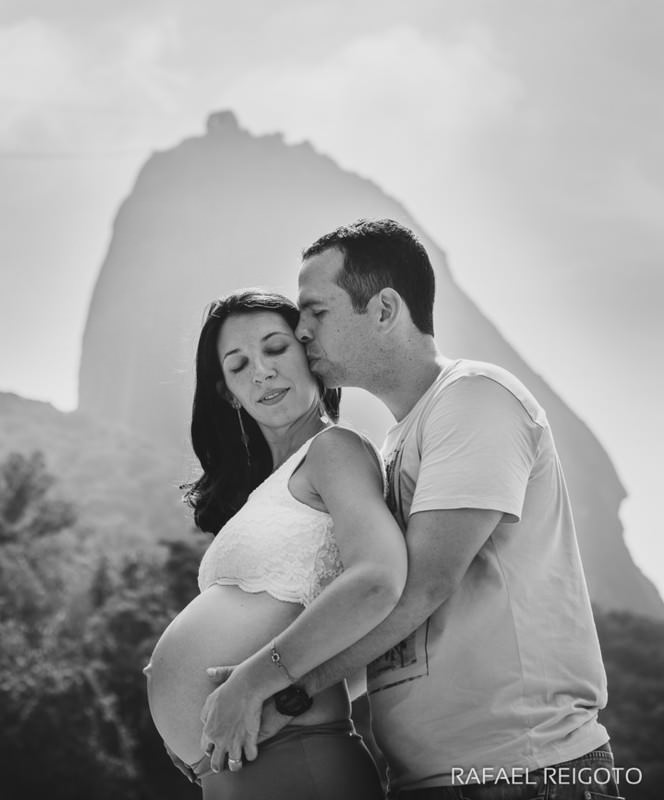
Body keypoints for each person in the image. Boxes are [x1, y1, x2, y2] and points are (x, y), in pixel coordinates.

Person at [206, 219, 618, 800]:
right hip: (431, 780)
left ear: (383, 309)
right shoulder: (396, 442)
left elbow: (421, 587)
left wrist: (272, 687)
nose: (301, 332)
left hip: (525, 774)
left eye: (317, 312)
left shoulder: (475, 398)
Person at [144, 289, 408, 799]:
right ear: (227, 392)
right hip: (233, 765)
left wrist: (253, 682)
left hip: (295, 754)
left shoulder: (334, 449)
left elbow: (378, 579)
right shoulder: (269, 488)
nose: (261, 372)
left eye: (275, 349)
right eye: (239, 364)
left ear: (309, 353)